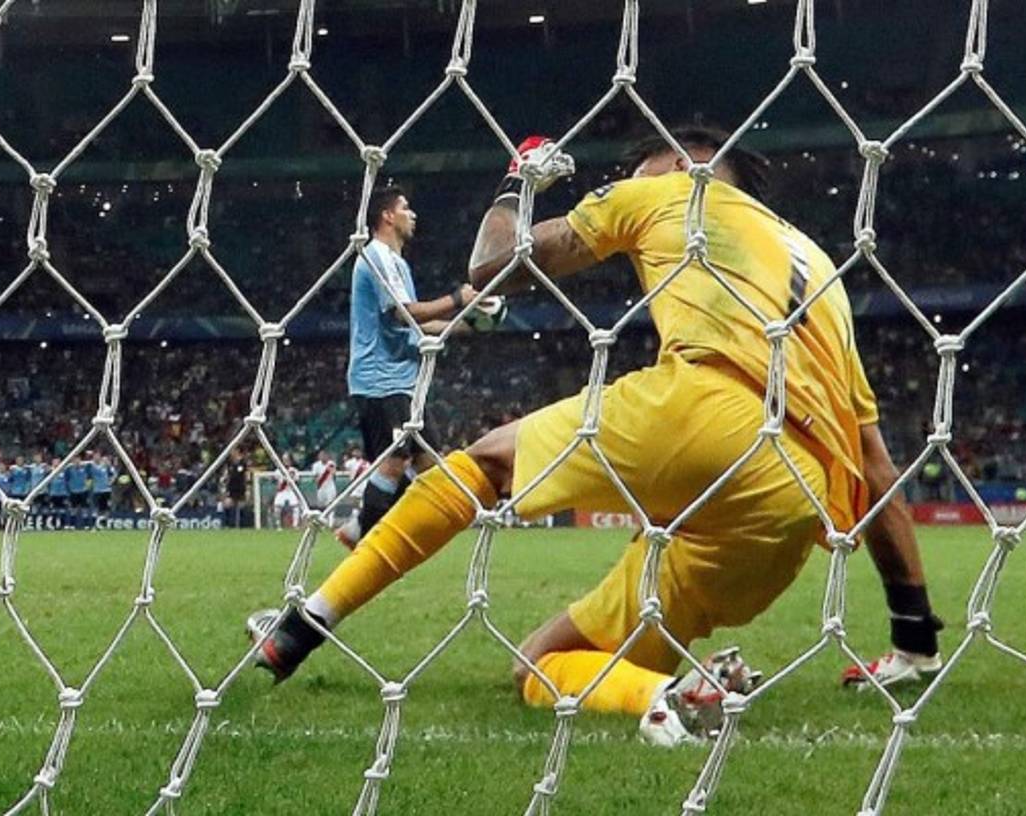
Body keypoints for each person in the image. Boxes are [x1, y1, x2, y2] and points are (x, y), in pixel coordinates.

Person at [249, 128, 942, 745]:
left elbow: (493, 263)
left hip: (702, 411)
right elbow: (876, 466)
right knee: (538, 665)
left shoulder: (668, 190)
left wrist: (519, 177)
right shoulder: (824, 273)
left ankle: (306, 623)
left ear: (679, 161)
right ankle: (665, 695)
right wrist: (913, 634)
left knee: (486, 463)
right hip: (789, 507)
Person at [334, 185, 480, 548]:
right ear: (387, 216)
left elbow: (413, 322)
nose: (412, 214)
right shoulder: (377, 255)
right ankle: (365, 534)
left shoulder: (397, 263)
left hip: (402, 380)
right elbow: (403, 314)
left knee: (427, 461)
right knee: (396, 460)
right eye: (405, 208)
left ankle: (368, 527)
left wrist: (467, 323)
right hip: (380, 379)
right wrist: (457, 298)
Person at [272, 453, 300, 529]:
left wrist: (291, 481)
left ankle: (295, 525)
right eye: (284, 460)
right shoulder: (278, 470)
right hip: (282, 491)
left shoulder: (294, 470)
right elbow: (274, 481)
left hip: (291, 491)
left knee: (295, 507)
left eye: (287, 459)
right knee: (277, 507)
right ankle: (278, 525)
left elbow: (297, 482)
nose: (286, 461)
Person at [310, 449, 338, 523]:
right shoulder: (316, 465)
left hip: (330, 486)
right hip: (321, 487)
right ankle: (323, 521)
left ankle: (331, 522)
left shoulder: (331, 463)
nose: (323, 457)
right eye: (321, 455)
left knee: (330, 504)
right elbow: (315, 477)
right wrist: (318, 480)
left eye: (324, 455)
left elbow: (334, 475)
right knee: (321, 505)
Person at [88, 450, 116, 517]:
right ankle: (97, 522)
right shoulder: (90, 465)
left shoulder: (106, 465)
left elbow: (114, 474)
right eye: (95, 455)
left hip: (106, 490)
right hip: (96, 490)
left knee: (106, 508)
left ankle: (106, 522)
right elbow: (88, 477)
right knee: (97, 508)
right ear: (93, 457)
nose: (96, 457)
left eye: (98, 455)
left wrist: (110, 482)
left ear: (100, 456)